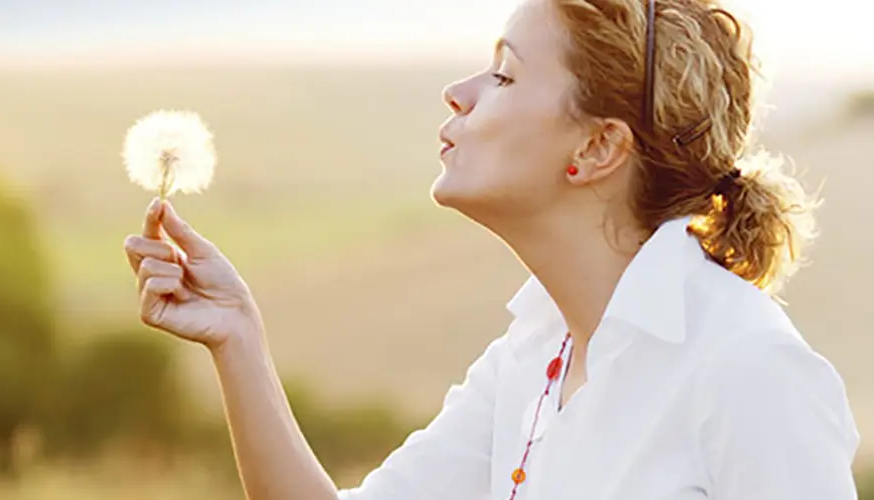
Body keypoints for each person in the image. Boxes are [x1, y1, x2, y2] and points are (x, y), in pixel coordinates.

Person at [121, 0, 862, 498]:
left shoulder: (749, 369)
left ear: (598, 146)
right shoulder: (532, 354)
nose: (458, 92)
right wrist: (237, 338)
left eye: (504, 74)